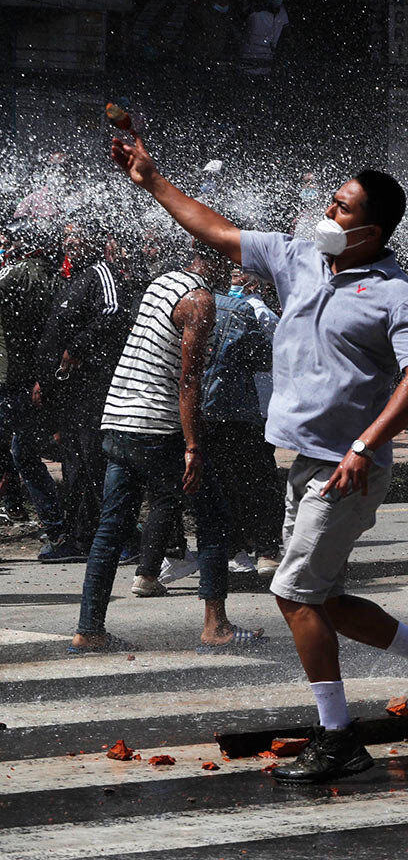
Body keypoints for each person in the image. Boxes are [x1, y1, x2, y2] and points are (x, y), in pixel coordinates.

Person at [109, 128, 408, 784]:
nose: (328, 213)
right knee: (325, 599)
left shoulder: (397, 295)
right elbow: (220, 233)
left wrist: (367, 445)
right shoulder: (301, 260)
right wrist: (151, 179)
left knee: (292, 592)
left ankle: (338, 736)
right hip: (306, 463)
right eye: (333, 201)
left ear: (374, 229)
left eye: (343, 208)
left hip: (349, 468)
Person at [73, 242, 259, 653]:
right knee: (213, 516)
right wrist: (192, 445)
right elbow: (189, 379)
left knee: (110, 528)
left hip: (118, 417)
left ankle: (89, 629)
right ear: (217, 259)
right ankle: (216, 626)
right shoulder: (200, 300)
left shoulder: (163, 282)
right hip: (155, 427)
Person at [34, 235, 145, 564]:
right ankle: (81, 537)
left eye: (77, 237)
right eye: (66, 237)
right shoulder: (69, 280)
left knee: (98, 460)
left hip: (96, 385)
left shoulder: (102, 273)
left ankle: (127, 536)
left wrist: (78, 348)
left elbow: (114, 312)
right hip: (70, 390)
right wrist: (45, 377)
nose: (70, 243)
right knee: (74, 464)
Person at [199, 275, 282, 575]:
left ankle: (241, 548)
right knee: (257, 478)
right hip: (251, 408)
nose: (234, 279)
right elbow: (270, 356)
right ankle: (263, 548)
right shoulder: (252, 312)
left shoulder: (216, 306)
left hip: (224, 408)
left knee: (231, 479)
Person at [0, 225, 65, 553]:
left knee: (22, 453)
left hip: (14, 378)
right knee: (24, 453)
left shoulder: (17, 275)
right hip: (35, 376)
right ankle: (58, 526)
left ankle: (58, 527)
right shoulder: (56, 278)